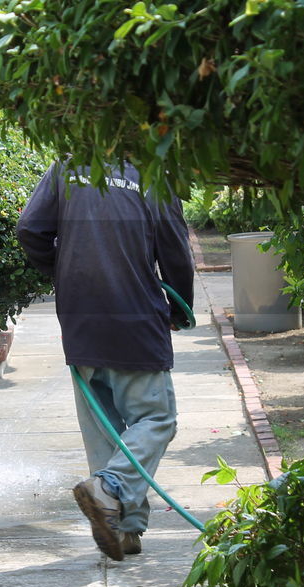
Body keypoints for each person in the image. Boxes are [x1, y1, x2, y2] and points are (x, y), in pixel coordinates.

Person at [16, 160, 194, 560]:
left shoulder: (67, 166)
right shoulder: (152, 171)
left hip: (80, 317)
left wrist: (64, 274)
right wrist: (180, 306)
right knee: (155, 418)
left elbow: (30, 228)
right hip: (134, 317)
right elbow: (173, 246)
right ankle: (110, 490)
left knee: (106, 431)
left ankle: (125, 529)